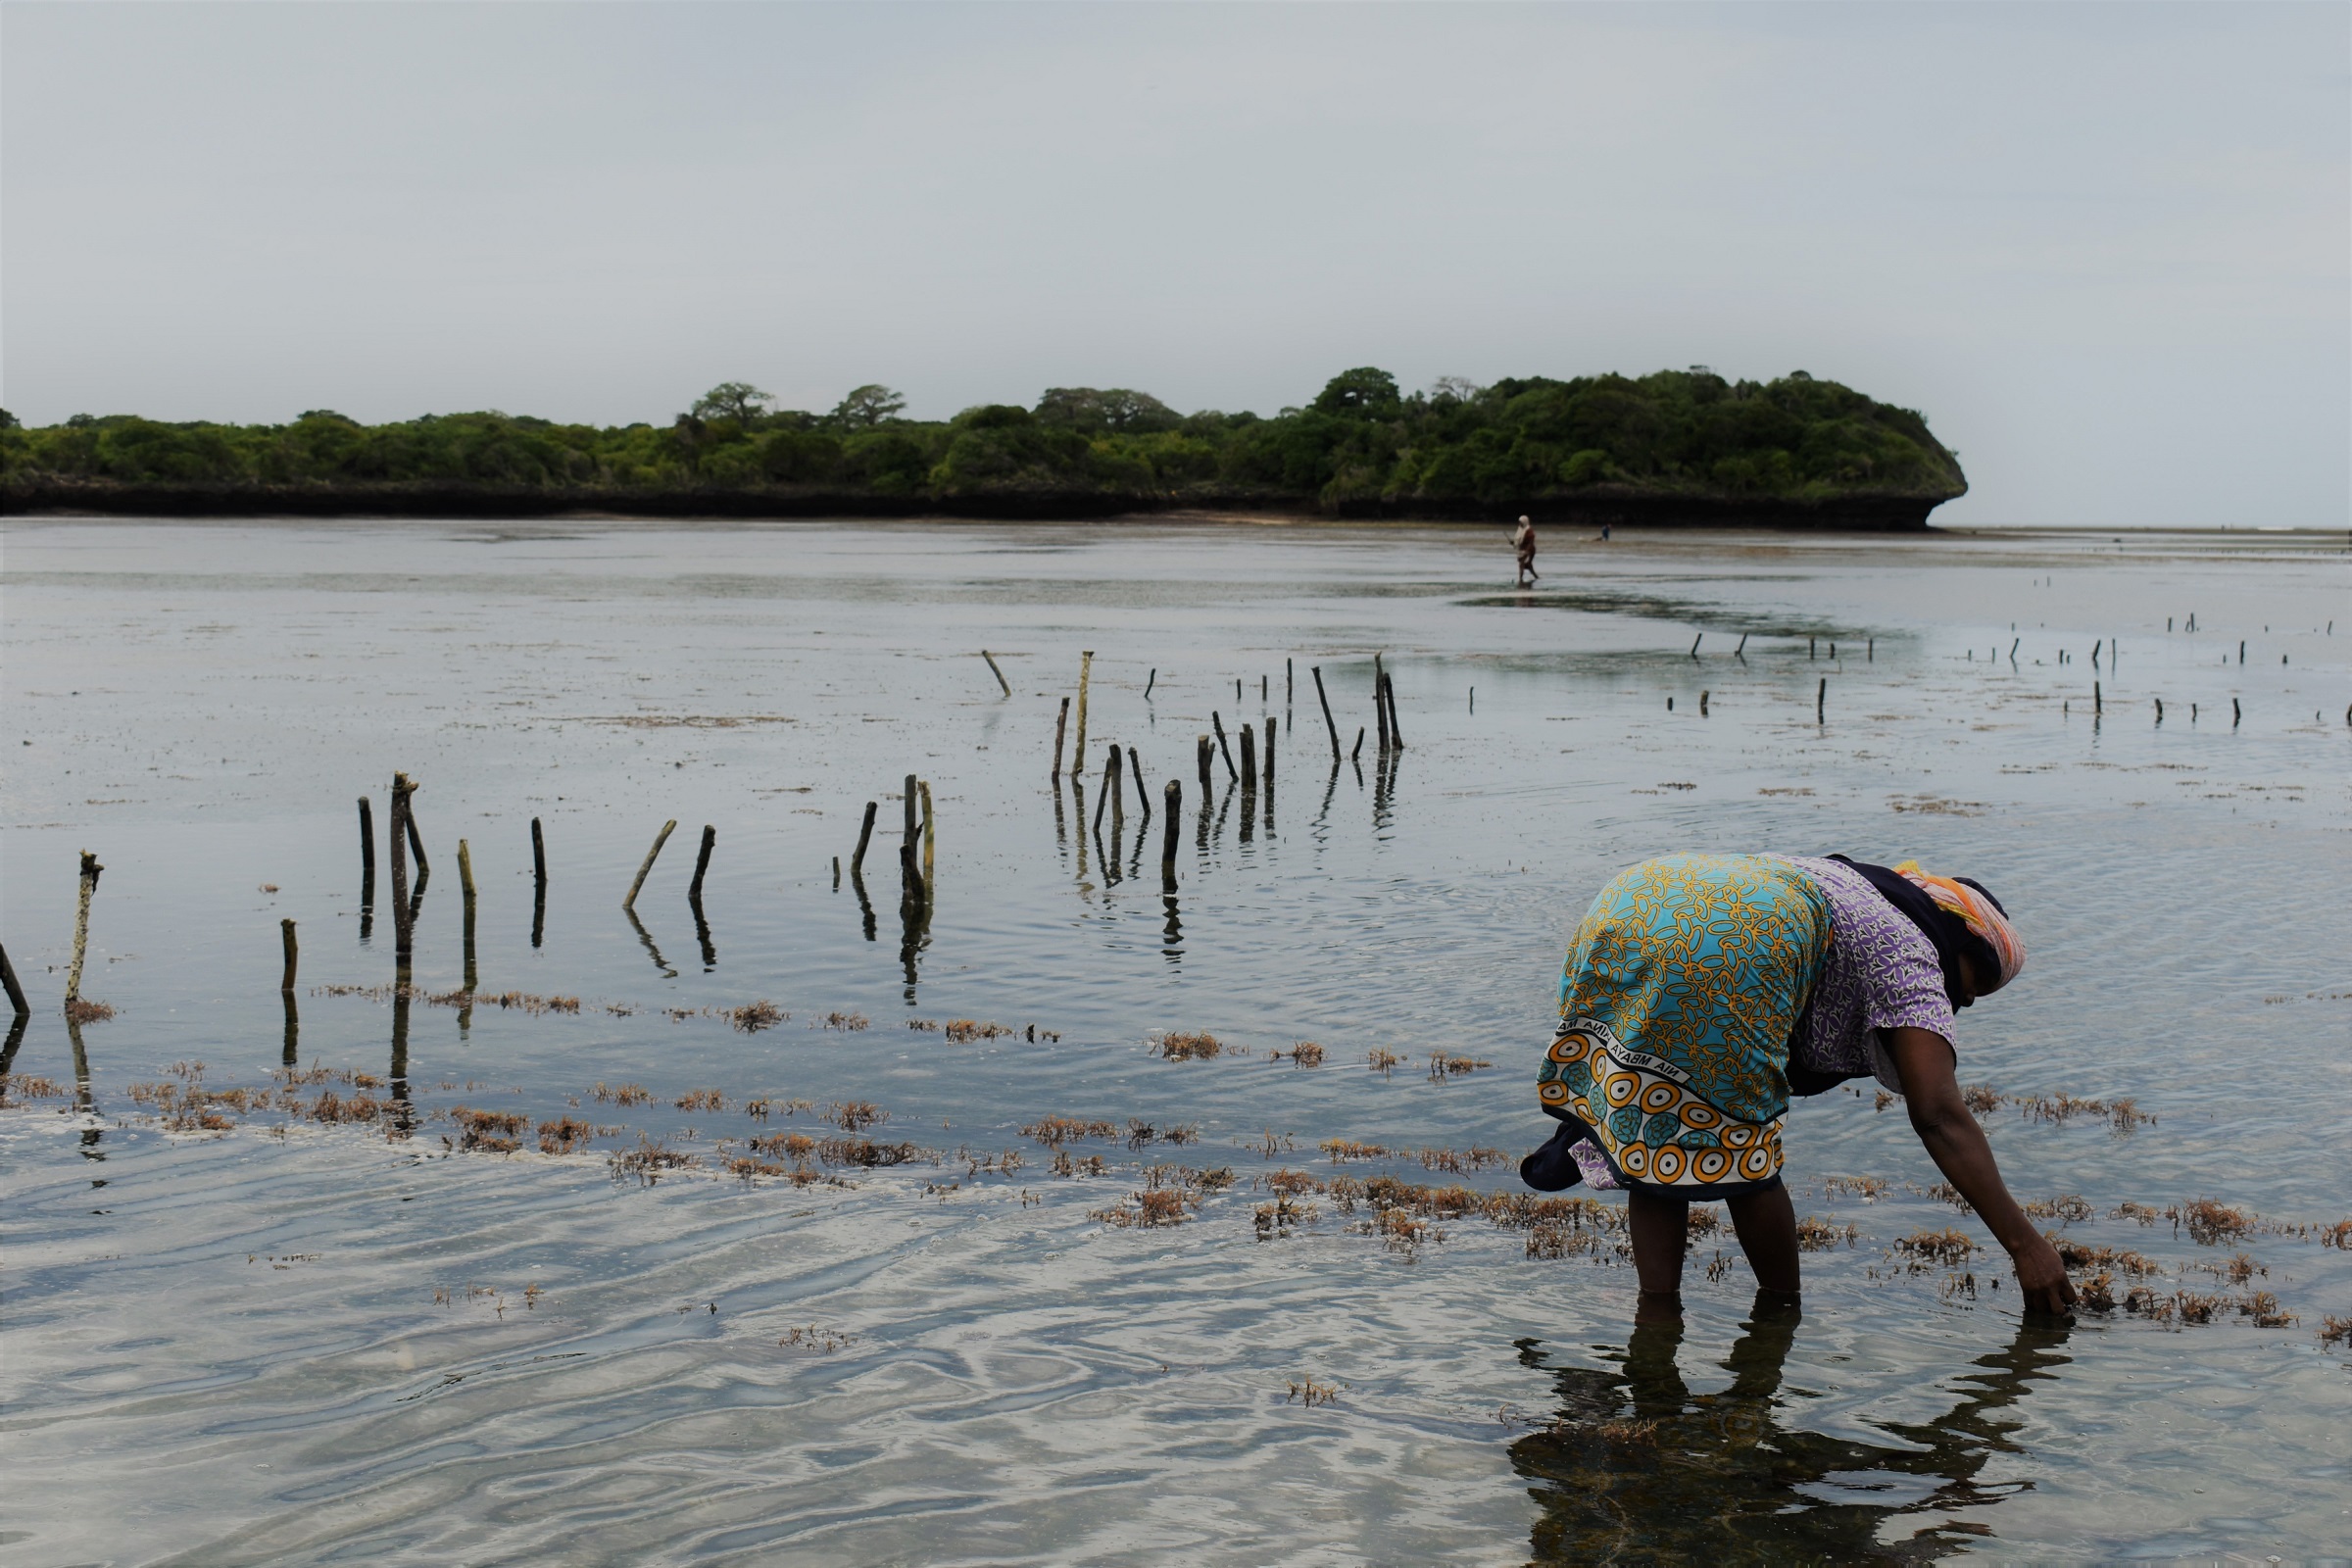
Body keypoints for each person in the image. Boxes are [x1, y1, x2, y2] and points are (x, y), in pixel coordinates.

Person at [1521, 852, 2074, 1321]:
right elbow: (1939, 1115)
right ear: (1960, 941)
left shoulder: (1851, 886)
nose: (1968, 1000)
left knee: (1654, 1129)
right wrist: (2026, 1246)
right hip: (1725, 942)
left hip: (1630, 902)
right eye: (1979, 983)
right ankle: (1779, 1320)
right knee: (1747, 1155)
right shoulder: (1913, 956)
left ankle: (1656, 1322)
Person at [1513, 515, 1539, 587]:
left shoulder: (1529, 530)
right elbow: (1518, 540)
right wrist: (1513, 543)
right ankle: (1536, 577)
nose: (1519, 524)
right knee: (1528, 565)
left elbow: (1531, 542)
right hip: (1521, 549)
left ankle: (1520, 579)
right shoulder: (1520, 529)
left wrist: (1527, 551)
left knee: (1522, 564)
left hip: (1529, 550)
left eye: (1521, 522)